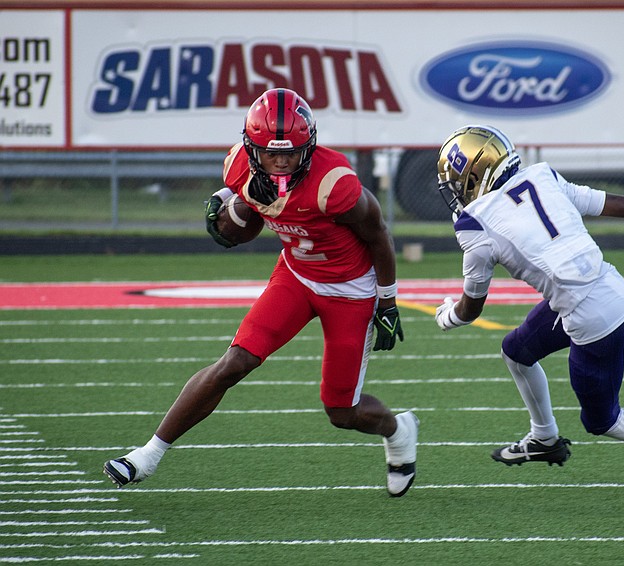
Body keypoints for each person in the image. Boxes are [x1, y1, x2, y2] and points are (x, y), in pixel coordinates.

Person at [104, 88, 417, 498]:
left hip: (350, 290)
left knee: (342, 412)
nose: (282, 161)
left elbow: (379, 236)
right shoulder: (239, 166)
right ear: (253, 148)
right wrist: (244, 203)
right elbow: (234, 234)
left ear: (310, 145)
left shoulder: (334, 183)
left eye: (291, 152)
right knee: (234, 362)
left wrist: (388, 300)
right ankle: (147, 454)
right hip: (295, 276)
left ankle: (399, 431)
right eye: (271, 153)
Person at [433, 125, 624, 490]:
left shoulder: (475, 225)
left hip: (592, 315)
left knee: (603, 420)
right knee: (516, 351)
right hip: (601, 288)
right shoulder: (542, 176)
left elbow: (472, 307)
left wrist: (448, 316)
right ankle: (544, 439)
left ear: (473, 178)